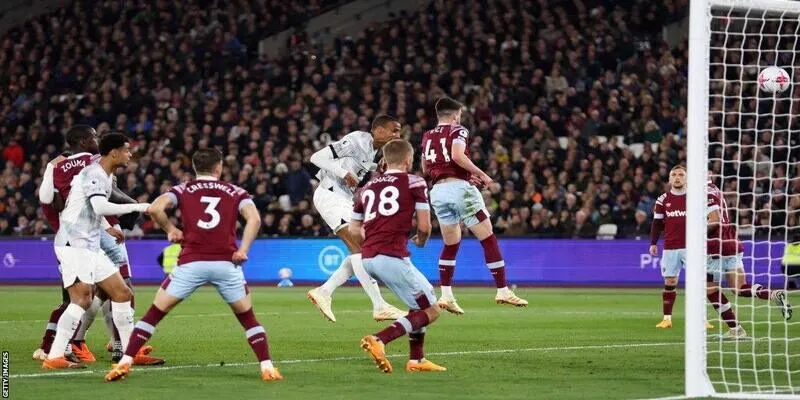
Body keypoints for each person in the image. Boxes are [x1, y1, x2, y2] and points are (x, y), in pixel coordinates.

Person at [105, 148, 282, 382]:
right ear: (219, 167)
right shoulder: (236, 191)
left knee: (154, 314)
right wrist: (243, 250)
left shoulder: (183, 189)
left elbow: (155, 208)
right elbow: (255, 219)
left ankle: (125, 362)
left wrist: (171, 229)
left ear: (195, 167)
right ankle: (267, 367)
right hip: (226, 263)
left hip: (191, 263)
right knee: (248, 318)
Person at [34, 126, 162, 366]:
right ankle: (55, 356)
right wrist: (141, 206)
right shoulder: (93, 173)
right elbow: (100, 206)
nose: (130, 155)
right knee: (81, 299)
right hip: (74, 244)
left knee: (122, 293)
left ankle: (130, 353)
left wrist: (106, 227)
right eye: (126, 151)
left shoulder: (102, 174)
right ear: (113, 153)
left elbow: (89, 207)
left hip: (90, 243)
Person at [421, 97, 527, 314]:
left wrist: (464, 175)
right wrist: (483, 175)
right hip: (460, 191)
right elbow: (457, 155)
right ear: (455, 115)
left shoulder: (428, 135)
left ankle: (446, 295)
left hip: (438, 192)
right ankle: (503, 290)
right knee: (488, 237)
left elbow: (426, 167)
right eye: (460, 114)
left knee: (451, 243)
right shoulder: (458, 130)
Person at [354, 140, 445, 373]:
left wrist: (372, 243)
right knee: (431, 311)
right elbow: (424, 227)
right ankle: (380, 339)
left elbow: (355, 229)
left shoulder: (367, 188)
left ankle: (417, 360)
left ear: (385, 160)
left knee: (420, 301)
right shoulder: (414, 182)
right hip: (391, 255)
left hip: (368, 256)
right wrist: (421, 240)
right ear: (408, 160)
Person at [305, 115, 405, 322]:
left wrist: (376, 168)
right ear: (378, 130)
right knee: (360, 248)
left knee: (360, 248)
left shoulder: (374, 151)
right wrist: (342, 173)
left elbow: (358, 164)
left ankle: (324, 291)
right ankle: (379, 306)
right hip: (330, 195)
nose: (398, 135)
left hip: (343, 199)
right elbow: (316, 158)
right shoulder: (357, 139)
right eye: (394, 130)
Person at [707, 178, 791, 326]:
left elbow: (714, 220)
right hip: (731, 241)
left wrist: (695, 232)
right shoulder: (715, 189)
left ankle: (736, 329)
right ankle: (773, 294)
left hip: (716, 245)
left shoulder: (705, 193)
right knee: (739, 288)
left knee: (711, 290)